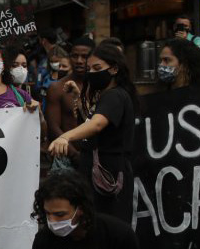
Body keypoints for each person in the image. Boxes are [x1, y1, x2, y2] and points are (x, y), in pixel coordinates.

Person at [48, 43, 136, 222]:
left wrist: (65, 136)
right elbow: (92, 121)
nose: (92, 73)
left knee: (106, 227)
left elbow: (96, 124)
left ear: (114, 69)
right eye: (90, 69)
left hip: (108, 175)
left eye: (97, 68)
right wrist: (78, 98)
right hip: (95, 174)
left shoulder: (115, 96)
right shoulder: (105, 96)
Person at [45, 37, 95, 159]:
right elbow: (53, 127)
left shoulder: (101, 87)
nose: (79, 60)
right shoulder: (57, 88)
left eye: (84, 56)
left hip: (97, 156)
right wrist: (74, 155)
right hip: (66, 157)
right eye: (75, 56)